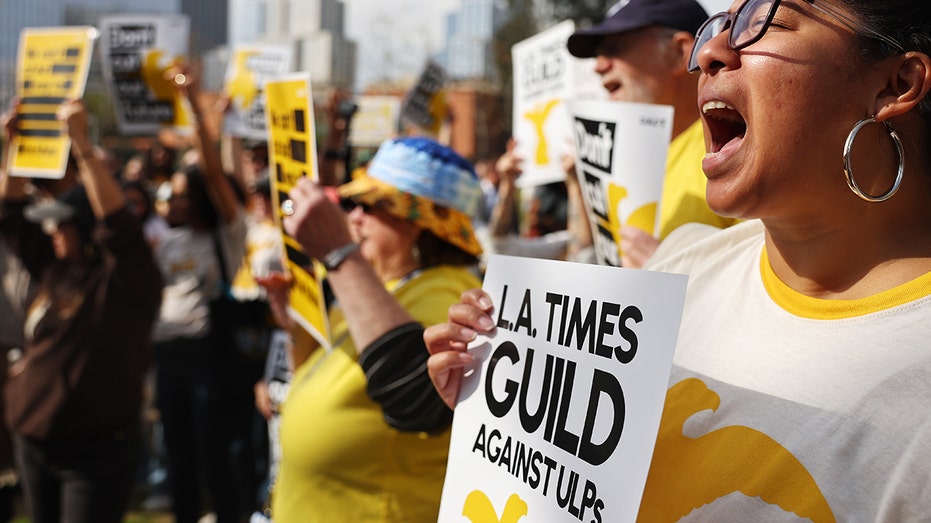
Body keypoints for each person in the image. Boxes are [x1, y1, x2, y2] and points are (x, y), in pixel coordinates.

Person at [426, 0, 931, 519]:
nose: (709, 52)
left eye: (767, 22)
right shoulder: (683, 264)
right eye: (723, 26)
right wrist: (502, 416)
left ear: (897, 84)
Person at [267, 136, 483, 522]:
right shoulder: (378, 288)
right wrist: (294, 325)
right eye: (354, 205)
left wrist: (339, 255)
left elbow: (414, 391)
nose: (354, 218)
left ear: (418, 224)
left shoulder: (449, 290)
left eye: (370, 206)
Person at [0, 99, 163, 522]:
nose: (51, 229)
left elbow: (120, 228)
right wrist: (14, 148)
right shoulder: (57, 269)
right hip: (34, 440)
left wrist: (83, 146)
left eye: (62, 223)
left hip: (96, 451)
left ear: (89, 229)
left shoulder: (127, 282)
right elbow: (10, 213)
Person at [566, 0, 740, 268]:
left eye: (615, 48)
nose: (598, 67)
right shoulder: (623, 165)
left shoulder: (734, 150)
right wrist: (576, 185)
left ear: (679, 53)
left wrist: (672, 270)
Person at [149, 66, 248, 523]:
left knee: (214, 456)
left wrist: (193, 107)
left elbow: (212, 170)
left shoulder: (226, 234)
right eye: (176, 196)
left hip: (210, 358)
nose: (179, 202)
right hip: (169, 358)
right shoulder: (167, 243)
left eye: (188, 196)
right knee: (179, 457)